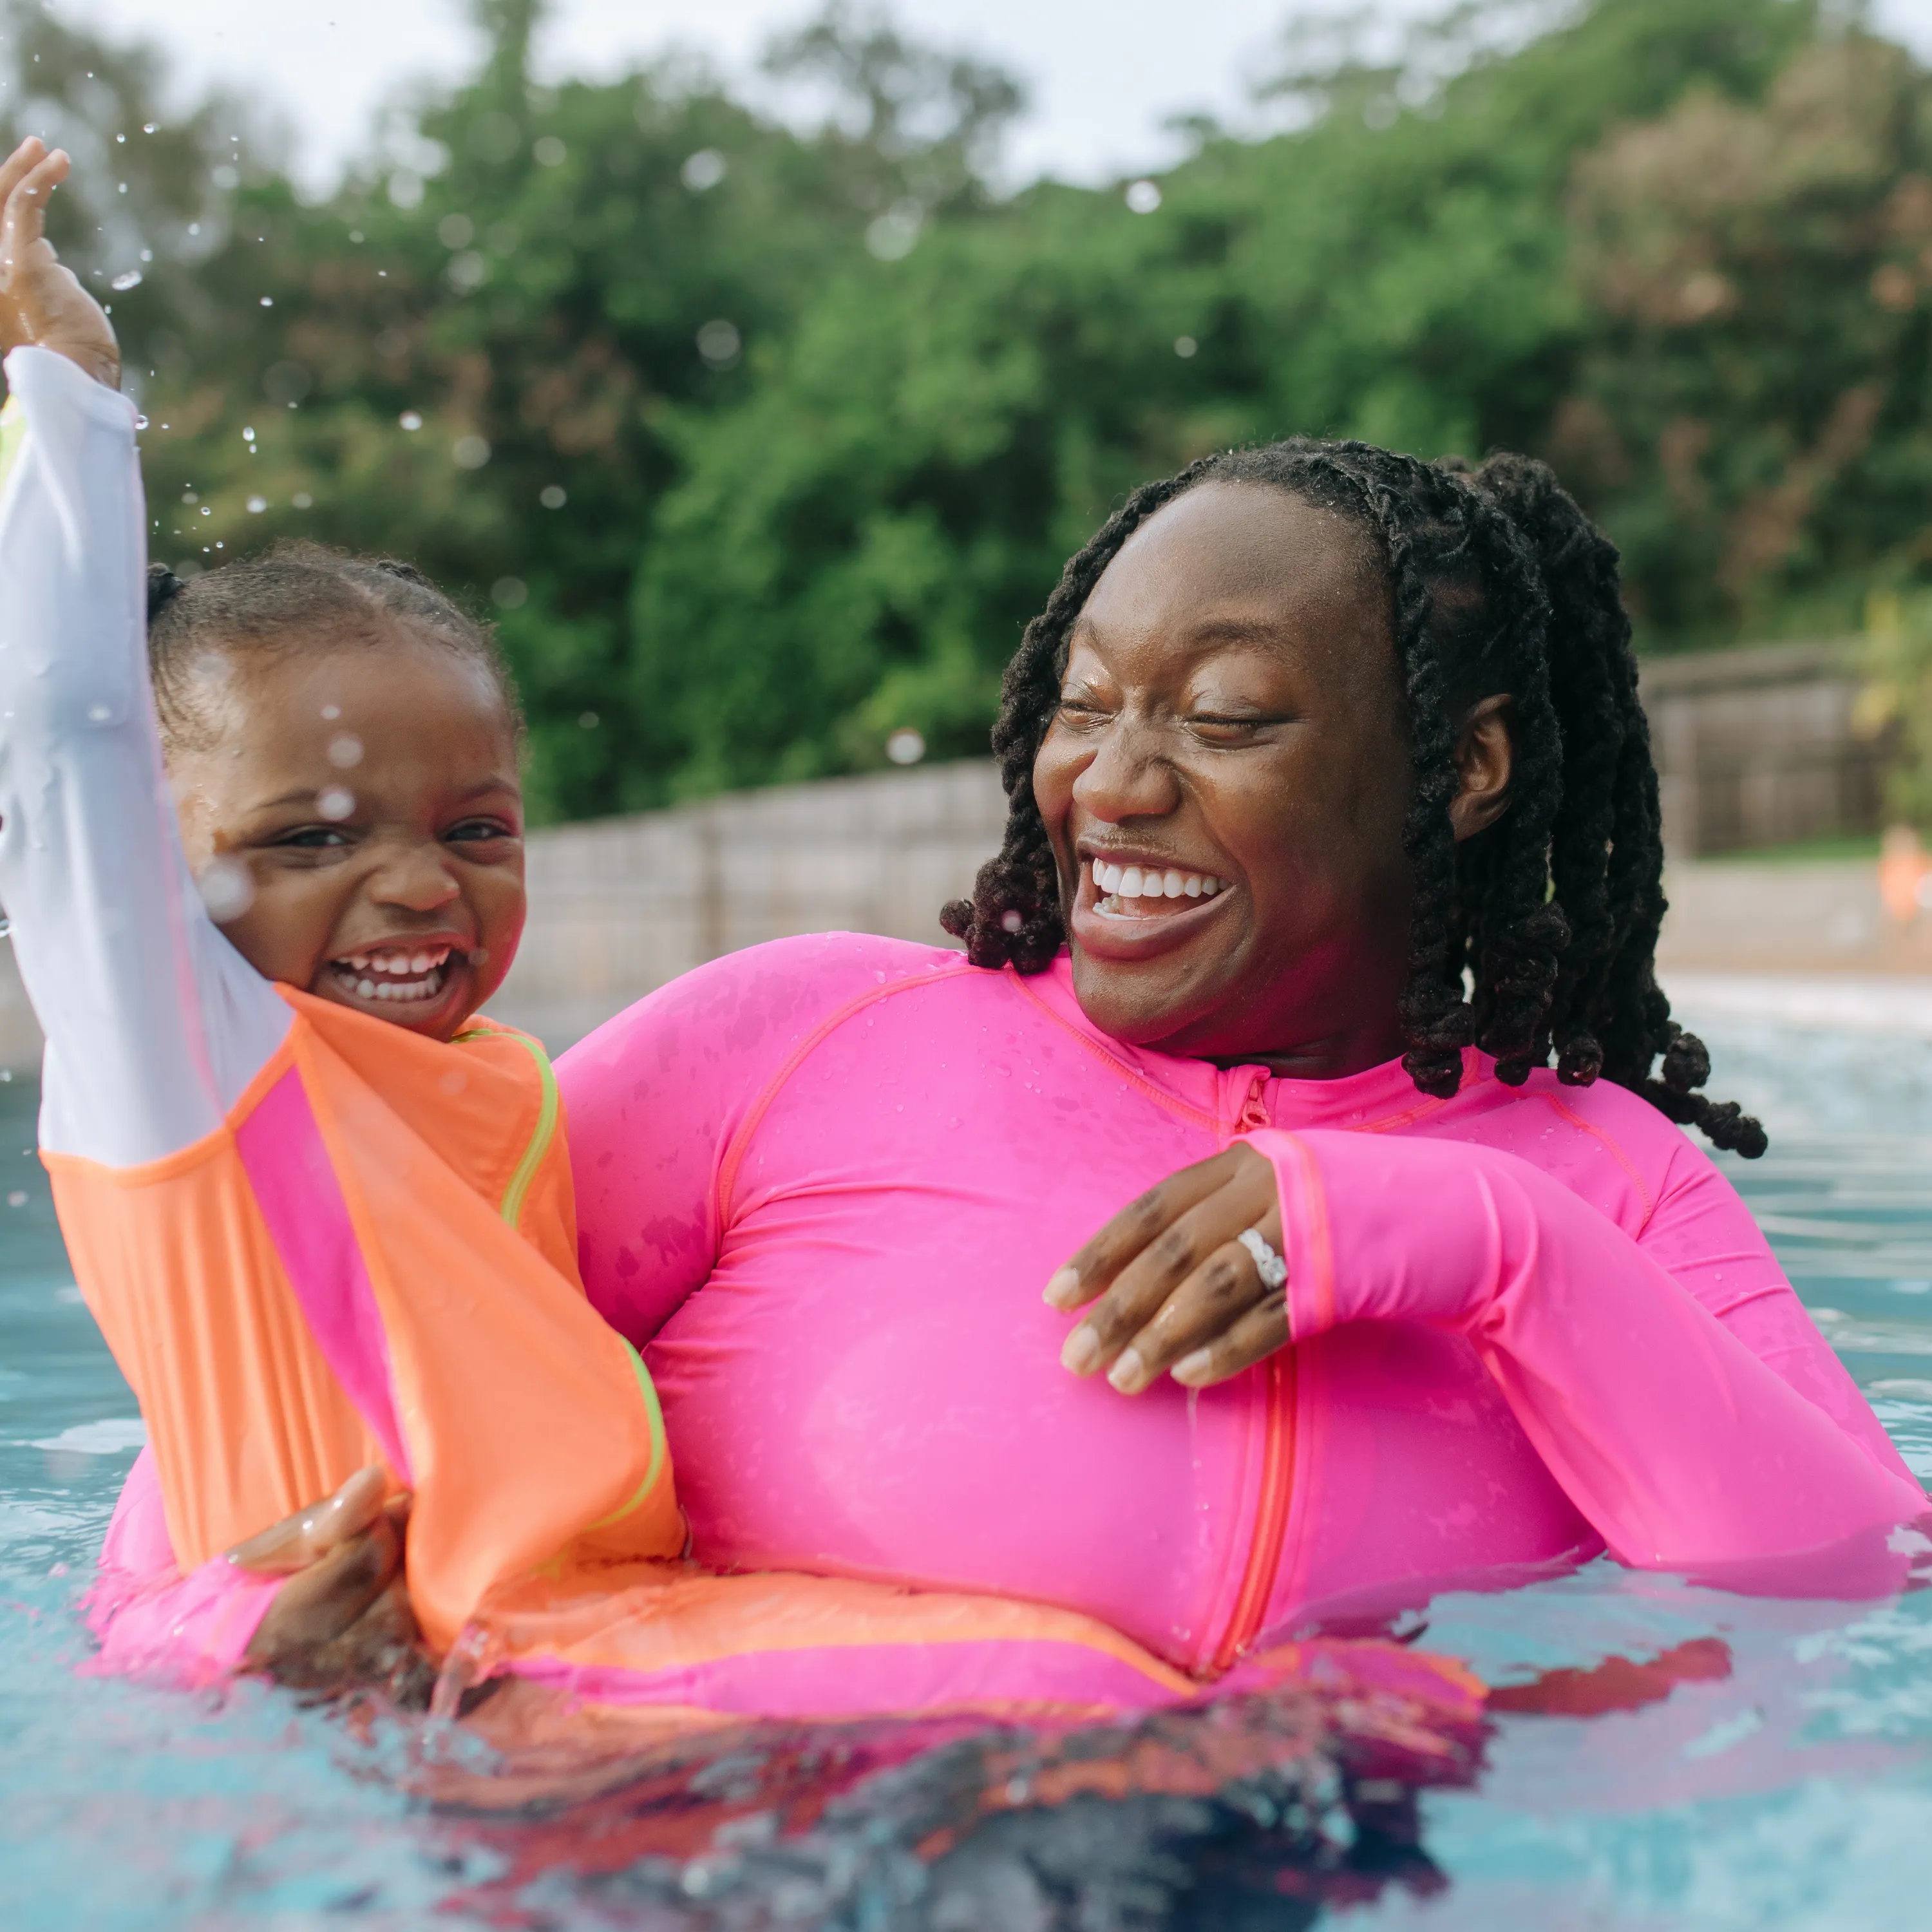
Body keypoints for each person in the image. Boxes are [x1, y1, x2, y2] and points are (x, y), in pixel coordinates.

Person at [184, 399, 1927, 1687]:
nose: (1113, 780)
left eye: (1224, 715)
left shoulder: (1593, 1188)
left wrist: (1481, 1246)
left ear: (1464, 773)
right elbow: (297, 1366)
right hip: (690, 1832)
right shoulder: (798, 1045)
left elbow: (1835, 1593)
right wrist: (225, 1631)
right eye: (1086, 703)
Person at [0, 136, 685, 1672]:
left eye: (476, 827)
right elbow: (67, 740)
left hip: (576, 1674)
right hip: (344, 1732)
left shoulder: (494, 1085)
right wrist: (71, 406)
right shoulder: (181, 1064)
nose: (421, 882)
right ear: (163, 863)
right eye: (310, 841)